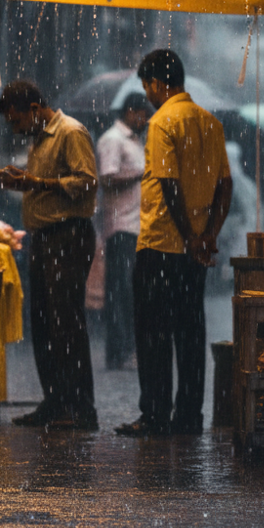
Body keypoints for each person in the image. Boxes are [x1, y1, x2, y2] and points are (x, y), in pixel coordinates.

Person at [117, 49, 232, 437]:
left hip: (161, 244)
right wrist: (207, 237)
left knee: (153, 333)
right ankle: (188, 415)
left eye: (147, 86)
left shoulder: (162, 122)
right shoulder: (210, 122)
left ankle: (155, 414)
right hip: (194, 251)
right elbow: (225, 186)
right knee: (190, 331)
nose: (147, 94)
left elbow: (168, 183)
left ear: (156, 82)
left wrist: (188, 237)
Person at [0, 80, 99, 430]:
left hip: (67, 236)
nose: (15, 128)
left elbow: (86, 181)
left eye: (16, 120)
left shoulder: (70, 132)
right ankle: (55, 402)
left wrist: (38, 184)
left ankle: (80, 409)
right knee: (43, 323)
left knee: (66, 324)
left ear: (34, 110)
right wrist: (26, 181)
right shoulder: (40, 139)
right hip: (44, 237)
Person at [97, 92, 151, 369]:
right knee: (120, 292)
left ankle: (126, 350)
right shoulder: (112, 140)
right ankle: (119, 352)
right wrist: (141, 174)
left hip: (135, 226)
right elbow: (107, 178)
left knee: (129, 292)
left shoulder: (134, 140)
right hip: (120, 227)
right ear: (131, 111)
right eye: (143, 115)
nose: (145, 121)